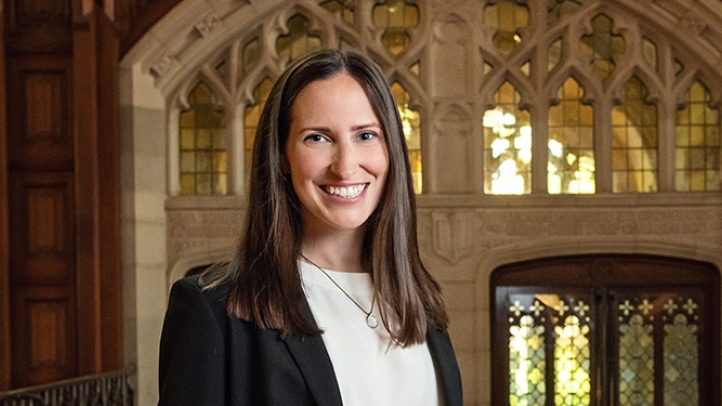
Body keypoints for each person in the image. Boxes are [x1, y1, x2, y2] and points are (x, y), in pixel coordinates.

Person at [158, 49, 462, 406]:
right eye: (317, 137)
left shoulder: (420, 303)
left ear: (391, 149)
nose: (346, 167)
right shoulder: (214, 312)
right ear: (283, 157)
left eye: (365, 135)